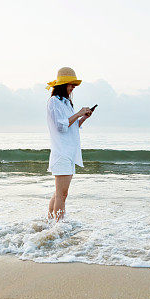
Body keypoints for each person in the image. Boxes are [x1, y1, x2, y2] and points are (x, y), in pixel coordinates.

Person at [45, 67, 93, 220]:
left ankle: (51, 223)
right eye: (71, 84)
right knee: (62, 194)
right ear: (62, 84)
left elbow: (70, 127)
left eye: (74, 84)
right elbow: (60, 126)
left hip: (69, 152)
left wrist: (83, 117)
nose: (73, 87)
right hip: (62, 152)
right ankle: (59, 226)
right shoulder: (54, 102)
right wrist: (78, 113)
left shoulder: (66, 102)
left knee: (59, 192)